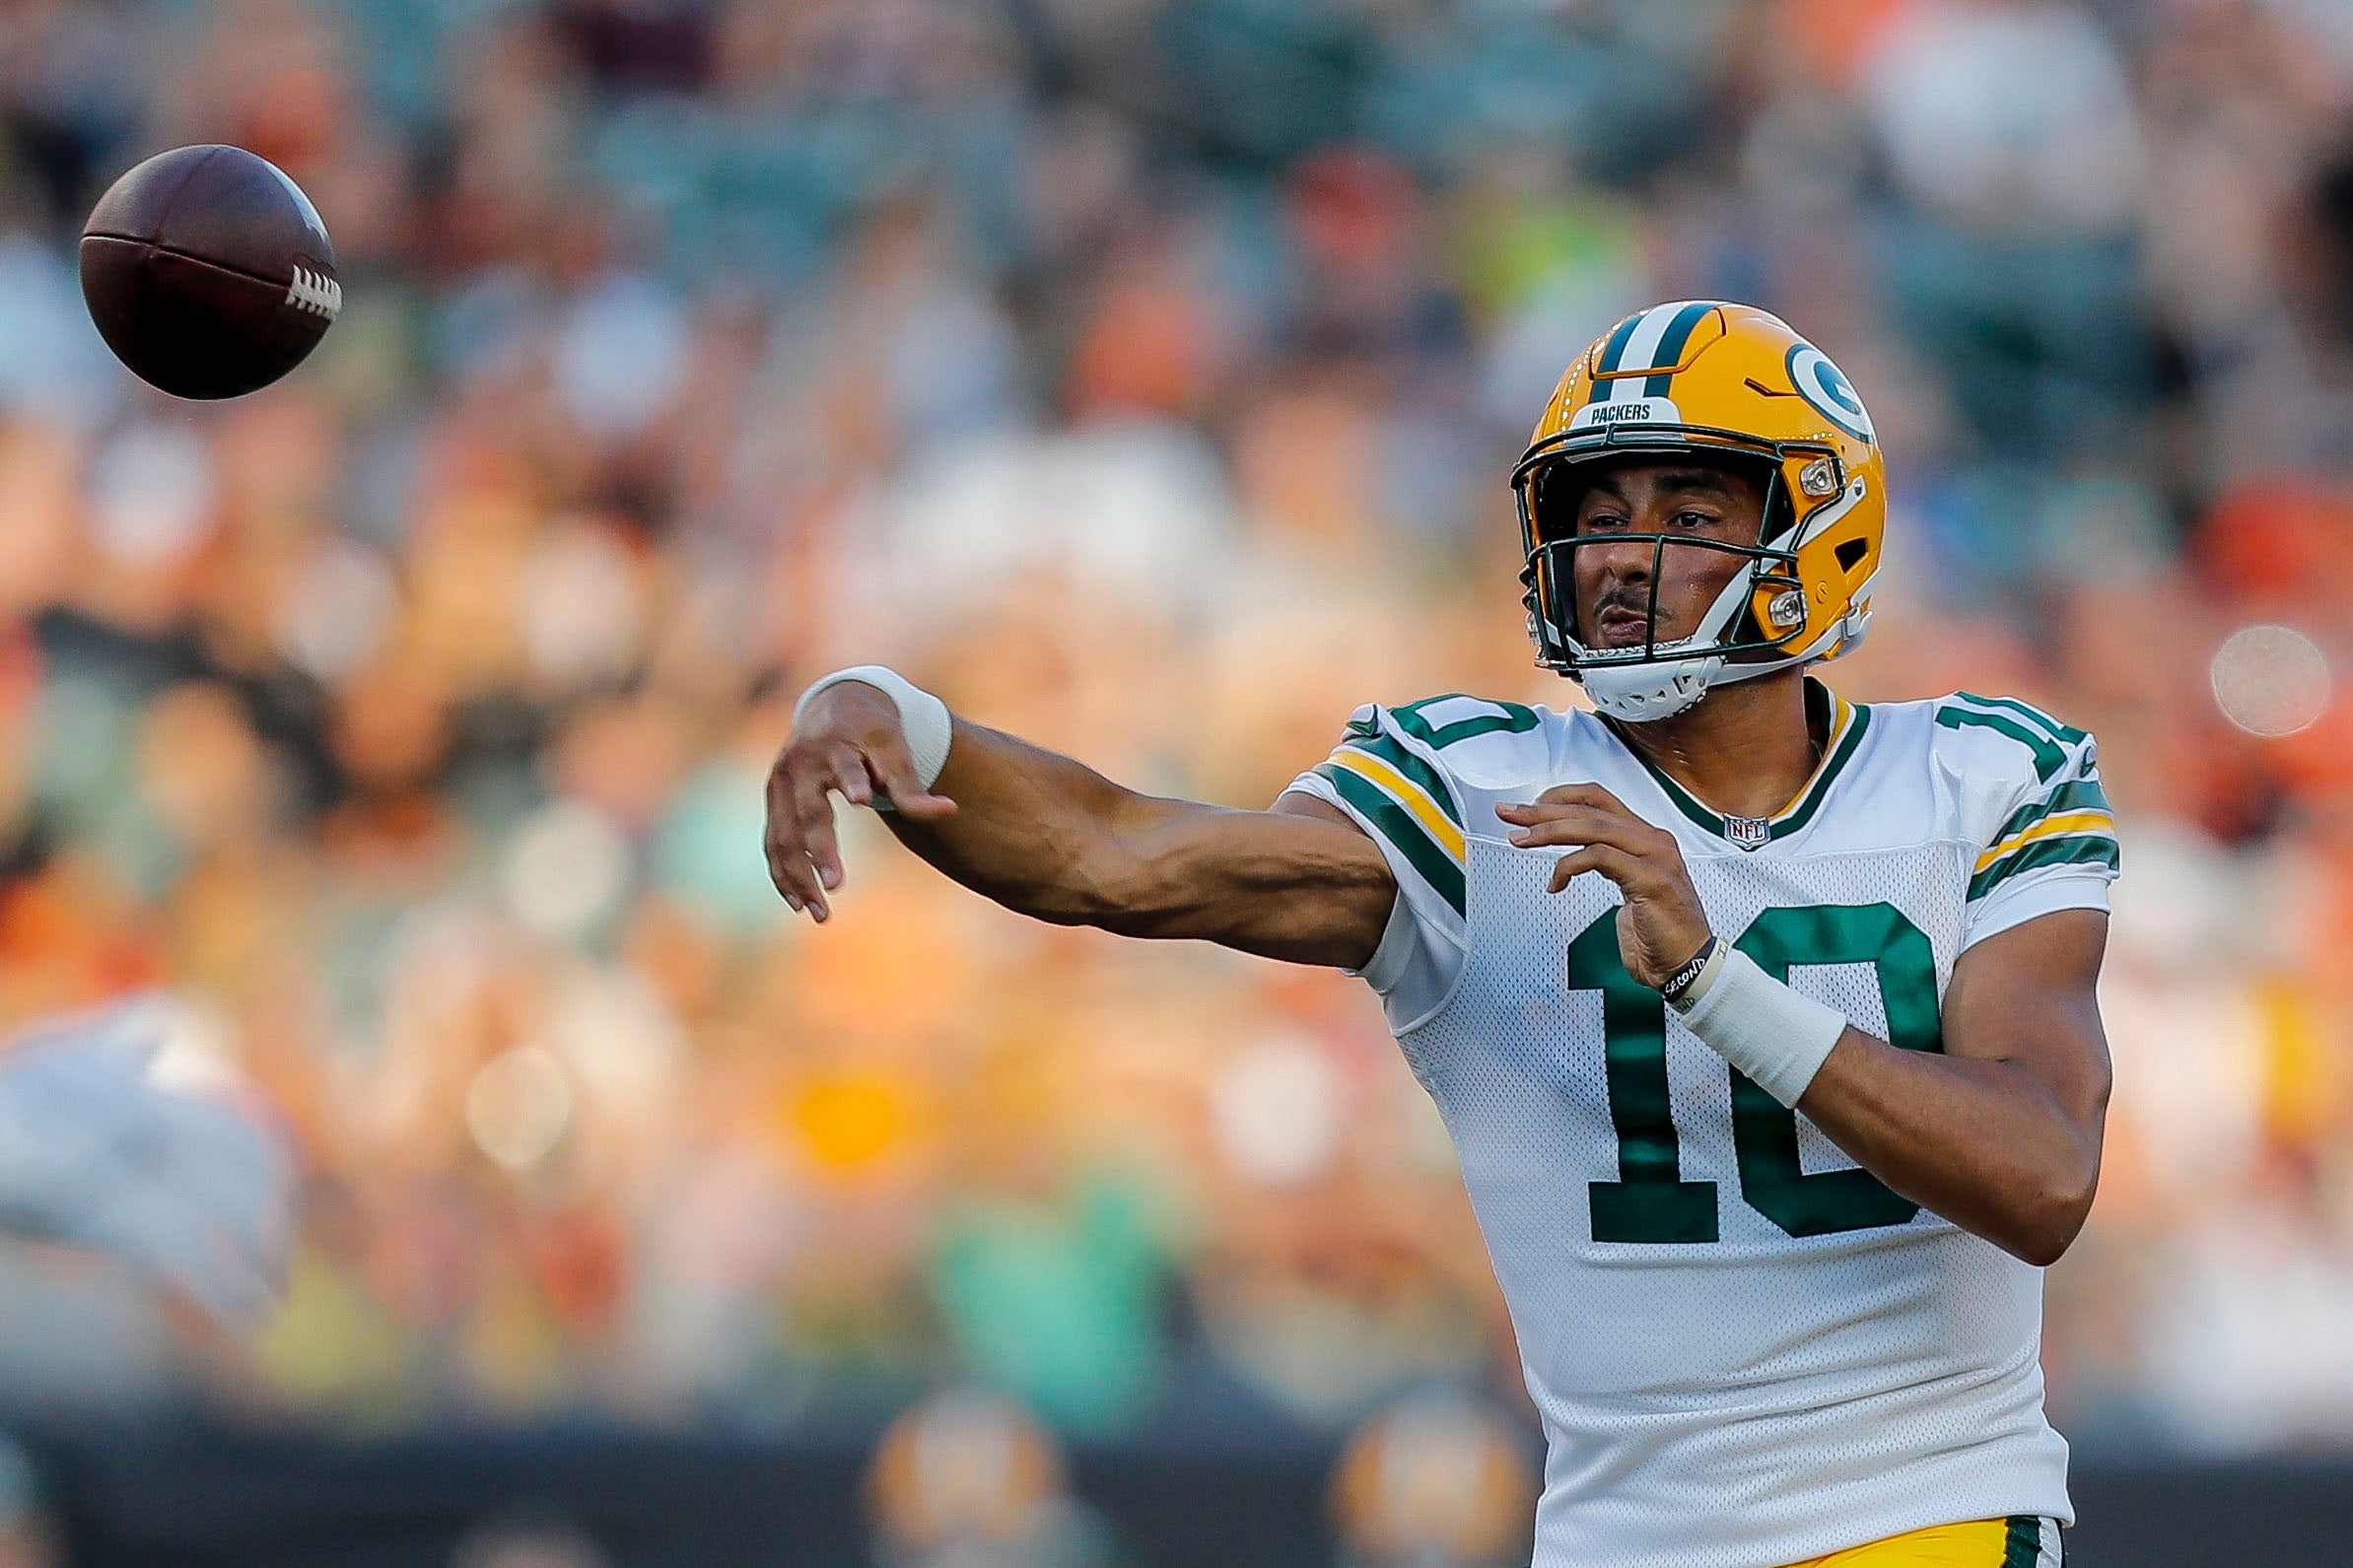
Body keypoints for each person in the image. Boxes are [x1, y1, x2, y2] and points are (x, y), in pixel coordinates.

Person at [764, 302, 2114, 1568]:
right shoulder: (1472, 785)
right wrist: (892, 713)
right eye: (1598, 512)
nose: (1624, 558)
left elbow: (2041, 1175)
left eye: (1689, 509)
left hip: (1927, 1519)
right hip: (1618, 1540)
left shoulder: (1982, 775)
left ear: (1823, 534)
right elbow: (1113, 855)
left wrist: (1714, 982)